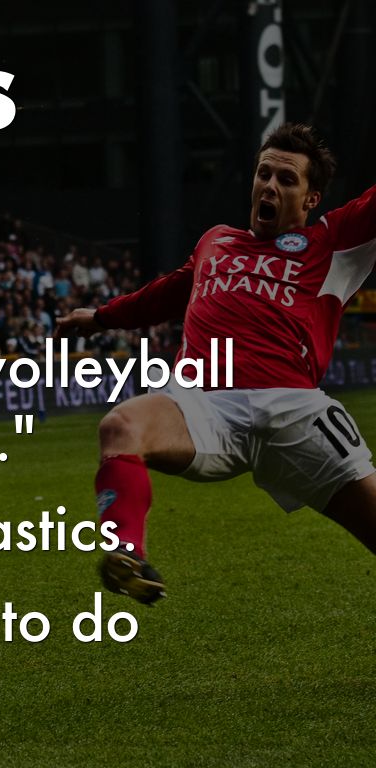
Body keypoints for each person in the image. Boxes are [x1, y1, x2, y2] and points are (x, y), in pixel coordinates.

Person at [57, 123, 376, 605]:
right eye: (264, 174)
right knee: (120, 427)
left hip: (294, 410)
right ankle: (127, 554)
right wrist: (101, 318)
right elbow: (166, 293)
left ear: (312, 199)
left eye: (287, 179)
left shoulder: (333, 242)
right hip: (203, 404)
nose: (270, 185)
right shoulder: (217, 241)